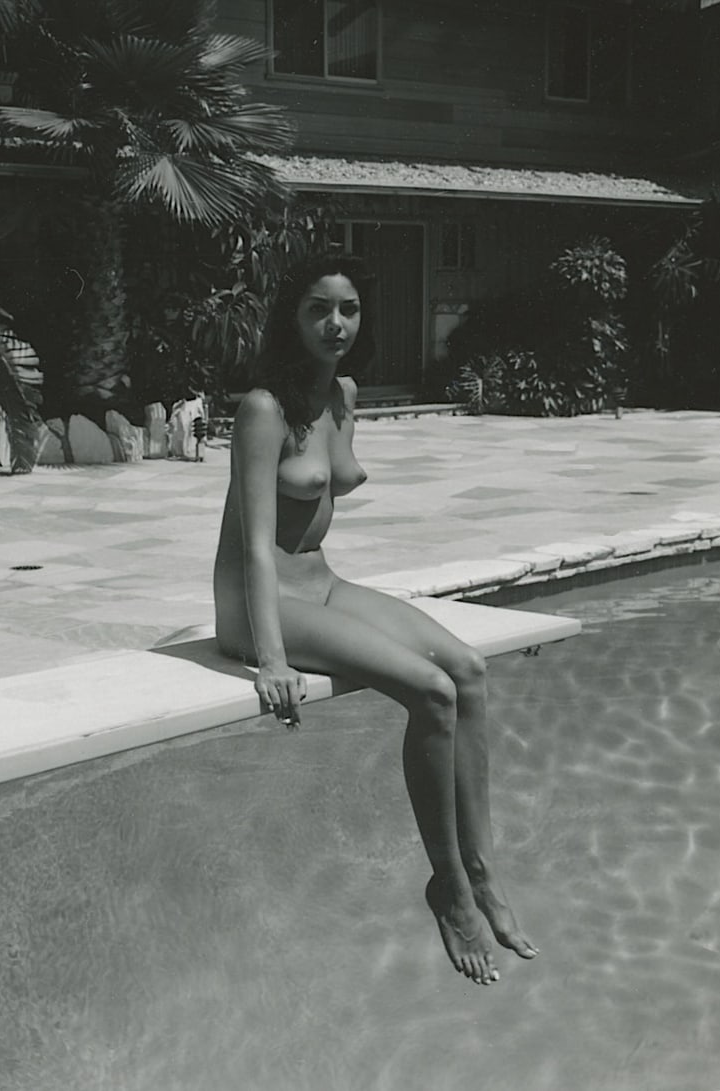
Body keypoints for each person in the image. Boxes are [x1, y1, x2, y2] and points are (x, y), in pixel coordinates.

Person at [213, 253, 538, 986]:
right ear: (290, 319)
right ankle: (450, 886)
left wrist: (348, 420)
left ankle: (484, 868)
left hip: (321, 582)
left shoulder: (341, 395)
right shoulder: (264, 408)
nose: (336, 323)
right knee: (430, 691)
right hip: (261, 603)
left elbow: (337, 475)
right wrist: (270, 657)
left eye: (349, 309)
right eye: (318, 309)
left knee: (469, 671)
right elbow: (255, 547)